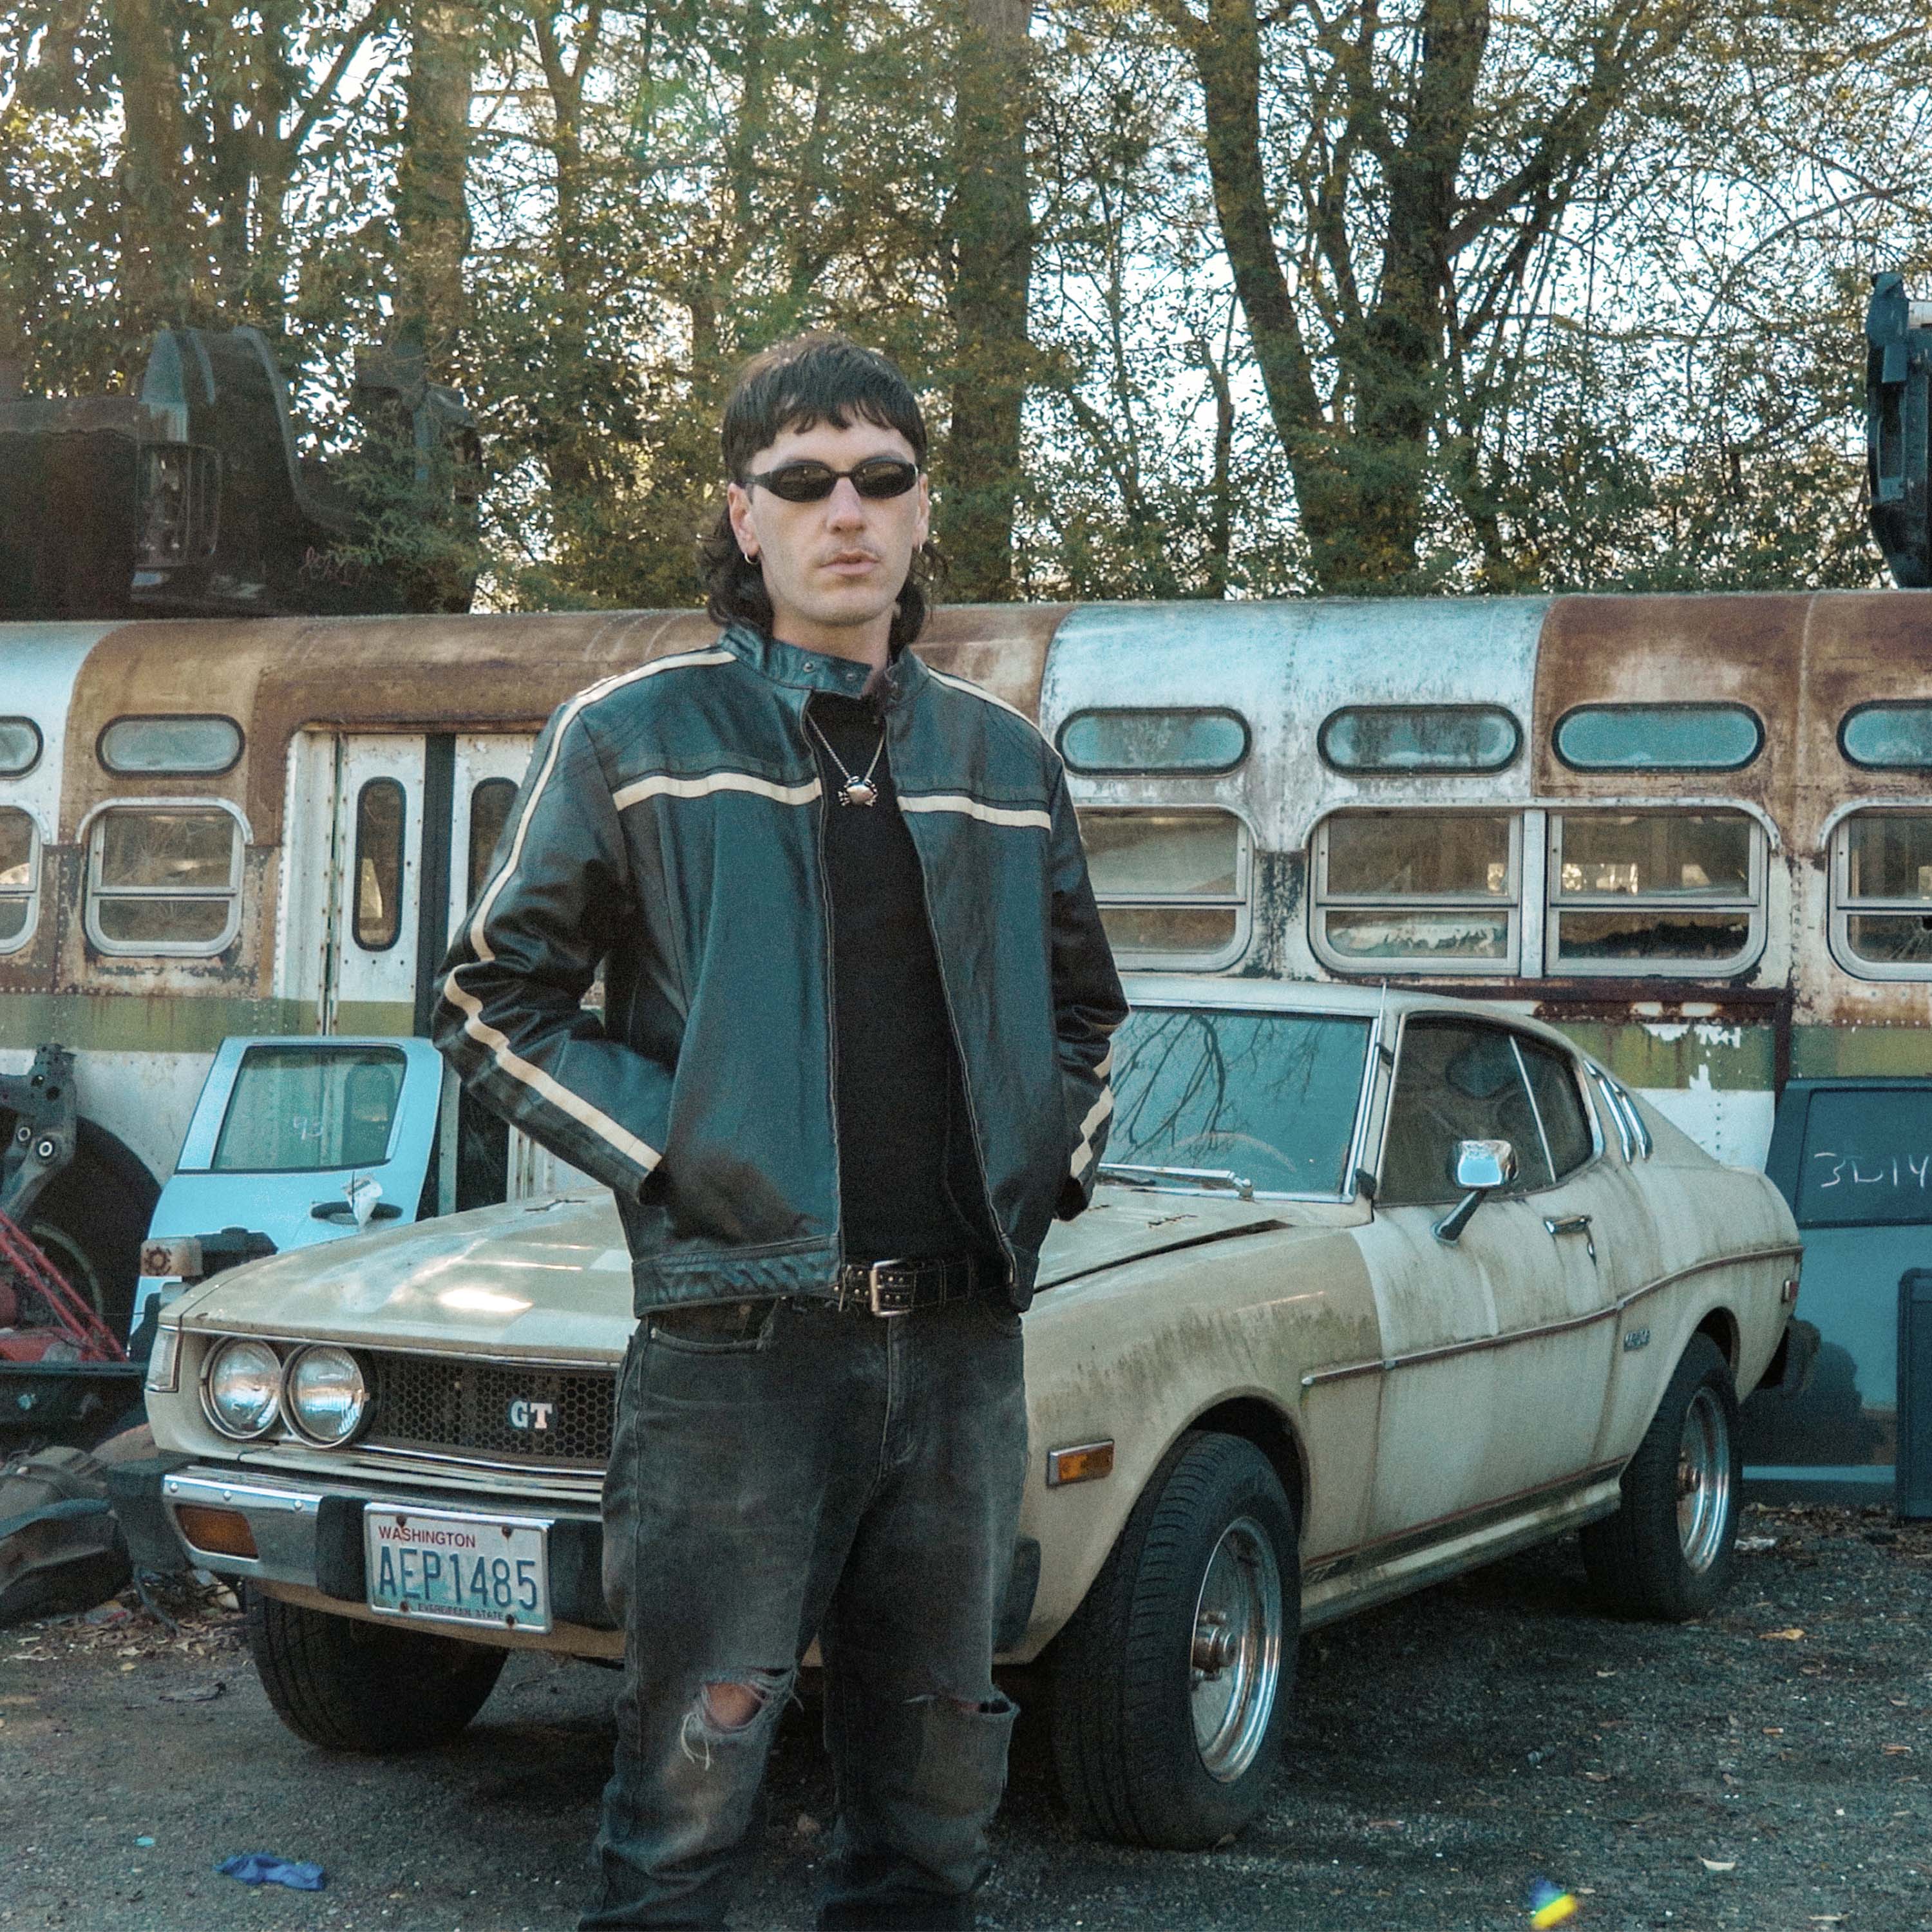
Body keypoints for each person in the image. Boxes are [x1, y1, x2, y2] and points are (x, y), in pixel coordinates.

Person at [433, 332, 1126, 1931]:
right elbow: (490, 999)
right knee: (688, 1800)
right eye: (803, 481)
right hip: (738, 1348)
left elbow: (1085, 1010)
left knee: (936, 1809)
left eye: (881, 478)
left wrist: (1040, 1166)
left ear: (925, 509)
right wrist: (682, 1154)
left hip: (960, 1350)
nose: (846, 512)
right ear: (743, 517)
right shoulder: (635, 737)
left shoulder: (1003, 760)